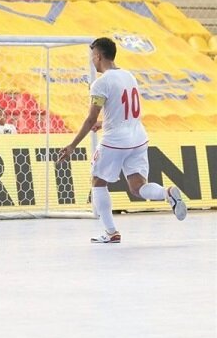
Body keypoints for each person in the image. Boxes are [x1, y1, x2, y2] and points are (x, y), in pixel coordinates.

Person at [57, 37, 187, 244]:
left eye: (93, 56)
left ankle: (111, 232)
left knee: (98, 181)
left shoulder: (101, 83)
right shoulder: (129, 76)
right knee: (137, 187)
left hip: (115, 141)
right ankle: (167, 193)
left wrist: (72, 145)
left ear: (98, 56)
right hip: (138, 138)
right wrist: (104, 123)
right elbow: (123, 109)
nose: (92, 61)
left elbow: (90, 117)